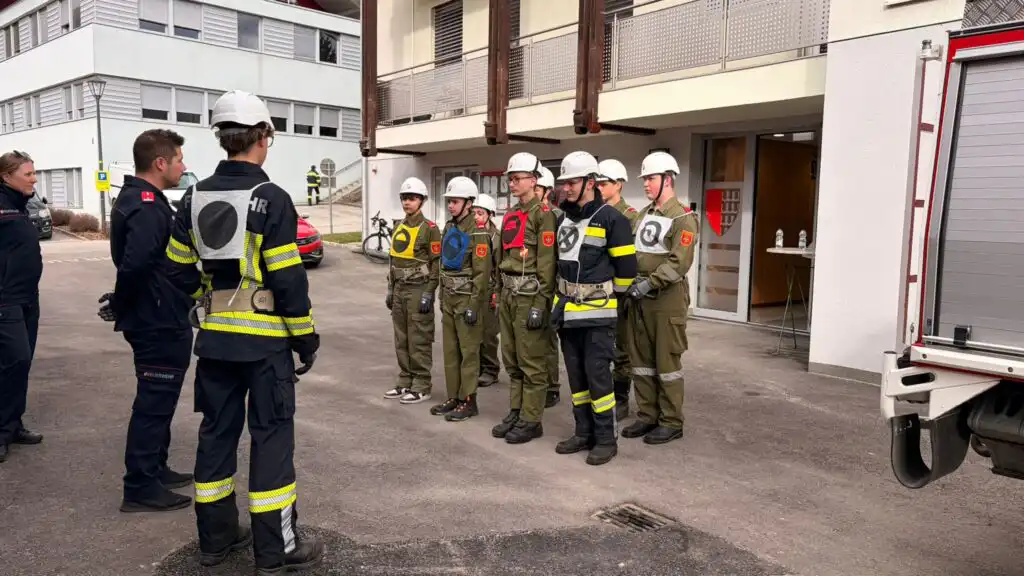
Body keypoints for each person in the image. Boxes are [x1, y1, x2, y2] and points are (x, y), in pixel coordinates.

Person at [163, 90, 322, 573]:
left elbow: (175, 269)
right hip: (265, 345)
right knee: (271, 441)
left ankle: (215, 541)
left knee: (216, 435)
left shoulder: (194, 195)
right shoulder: (270, 197)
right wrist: (305, 337)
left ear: (221, 137)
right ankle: (276, 551)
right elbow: (287, 277)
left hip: (214, 344)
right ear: (262, 137)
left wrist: (205, 303)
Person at [98, 129, 197, 513]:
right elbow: (135, 264)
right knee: (154, 402)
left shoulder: (143, 200)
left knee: (161, 399)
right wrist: (122, 304)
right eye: (179, 160)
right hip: (156, 319)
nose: (183, 167)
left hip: (158, 313)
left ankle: (155, 468)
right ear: (161, 163)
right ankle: (139, 486)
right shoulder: (145, 205)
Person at [550, 151, 637, 465]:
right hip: (568, 313)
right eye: (565, 183)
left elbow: (627, 270)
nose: (567, 188)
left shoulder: (612, 219)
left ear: (590, 182)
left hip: (598, 315)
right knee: (576, 380)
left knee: (599, 379)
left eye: (573, 182)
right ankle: (582, 432)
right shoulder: (563, 219)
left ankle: (605, 439)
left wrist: (607, 297)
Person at [623, 151, 699, 446]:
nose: (645, 184)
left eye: (650, 178)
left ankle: (670, 420)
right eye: (644, 179)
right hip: (639, 296)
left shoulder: (683, 218)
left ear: (668, 180)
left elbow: (679, 262)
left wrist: (649, 283)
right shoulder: (644, 215)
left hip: (666, 298)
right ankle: (647, 414)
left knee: (666, 360)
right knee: (640, 359)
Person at [491, 152, 557, 444]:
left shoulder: (543, 215)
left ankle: (532, 419)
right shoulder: (510, 214)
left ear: (534, 180)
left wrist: (542, 304)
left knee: (532, 360)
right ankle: (516, 411)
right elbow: (501, 257)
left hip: (530, 296)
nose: (513, 184)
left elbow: (547, 264)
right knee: (512, 359)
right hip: (508, 293)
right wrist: (497, 291)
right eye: (510, 179)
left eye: (517, 179)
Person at [429, 177, 491, 422]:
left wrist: (475, 305)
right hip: (450, 298)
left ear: (468, 203)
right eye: (449, 202)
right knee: (451, 352)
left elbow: (482, 273)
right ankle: (454, 397)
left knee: (468, 353)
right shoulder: (449, 227)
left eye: (455, 201)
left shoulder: (477, 231)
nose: (451, 206)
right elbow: (445, 264)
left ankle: (469, 400)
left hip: (467, 300)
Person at [0, 151, 44, 464]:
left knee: (23, 364)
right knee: (14, 361)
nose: (33, 179)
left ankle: (13, 425)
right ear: (6, 176)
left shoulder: (19, 205)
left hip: (28, 298)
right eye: (28, 174)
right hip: (6, 301)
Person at [382, 177, 441, 404]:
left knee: (419, 338)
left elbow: (436, 263)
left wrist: (429, 292)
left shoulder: (430, 229)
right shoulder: (399, 226)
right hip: (400, 290)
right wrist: (390, 289)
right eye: (405, 198)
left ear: (422, 201)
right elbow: (393, 261)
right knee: (401, 338)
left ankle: (421, 384)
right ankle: (405, 379)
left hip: (418, 289)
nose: (408, 202)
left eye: (412, 198)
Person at [595, 158, 640, 421]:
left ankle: (621, 398)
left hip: (620, 291)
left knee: (622, 347)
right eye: (597, 183)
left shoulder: (630, 216)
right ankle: (603, 396)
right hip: (597, 290)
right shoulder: (595, 212)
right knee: (600, 347)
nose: (599, 187)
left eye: (604, 183)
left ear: (619, 185)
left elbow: (629, 259)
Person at [537, 166, 561, 409]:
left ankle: (552, 386)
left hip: (551, 285)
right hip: (530, 286)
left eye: (537, 188)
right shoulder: (527, 215)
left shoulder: (556, 216)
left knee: (548, 339)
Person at [473, 193, 501, 389]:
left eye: (480, 213)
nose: (476, 217)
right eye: (474, 212)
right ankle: (477, 367)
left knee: (488, 333)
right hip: (473, 288)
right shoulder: (470, 233)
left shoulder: (495, 237)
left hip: (489, 287)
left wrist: (496, 293)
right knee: (472, 331)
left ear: (489, 215)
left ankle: (491, 370)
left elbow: (499, 266)